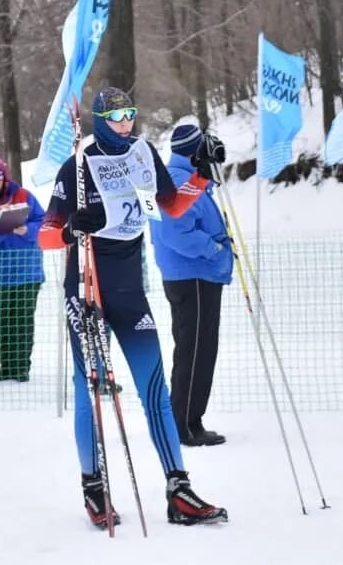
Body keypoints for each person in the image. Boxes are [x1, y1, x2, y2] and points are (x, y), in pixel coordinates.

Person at [38, 87, 228, 527]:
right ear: (101, 120)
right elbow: (45, 234)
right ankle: (94, 488)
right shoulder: (78, 167)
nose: (126, 123)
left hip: (130, 292)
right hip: (87, 291)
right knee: (90, 390)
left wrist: (200, 173)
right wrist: (70, 230)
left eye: (131, 114)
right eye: (118, 116)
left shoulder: (143, 154)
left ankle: (178, 489)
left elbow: (171, 206)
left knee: (155, 391)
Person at [150, 123, 233, 447]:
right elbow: (175, 232)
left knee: (198, 349)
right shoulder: (179, 182)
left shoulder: (190, 179)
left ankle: (188, 419)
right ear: (194, 151)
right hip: (193, 274)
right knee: (194, 351)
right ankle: (184, 424)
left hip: (198, 274)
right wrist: (214, 249)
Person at [0, 155, 45, 382]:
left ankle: (22, 366)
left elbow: (44, 221)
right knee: (4, 321)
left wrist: (27, 230)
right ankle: (7, 366)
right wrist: (1, 230)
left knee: (23, 320)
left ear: (5, 179)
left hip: (27, 271)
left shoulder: (25, 196)